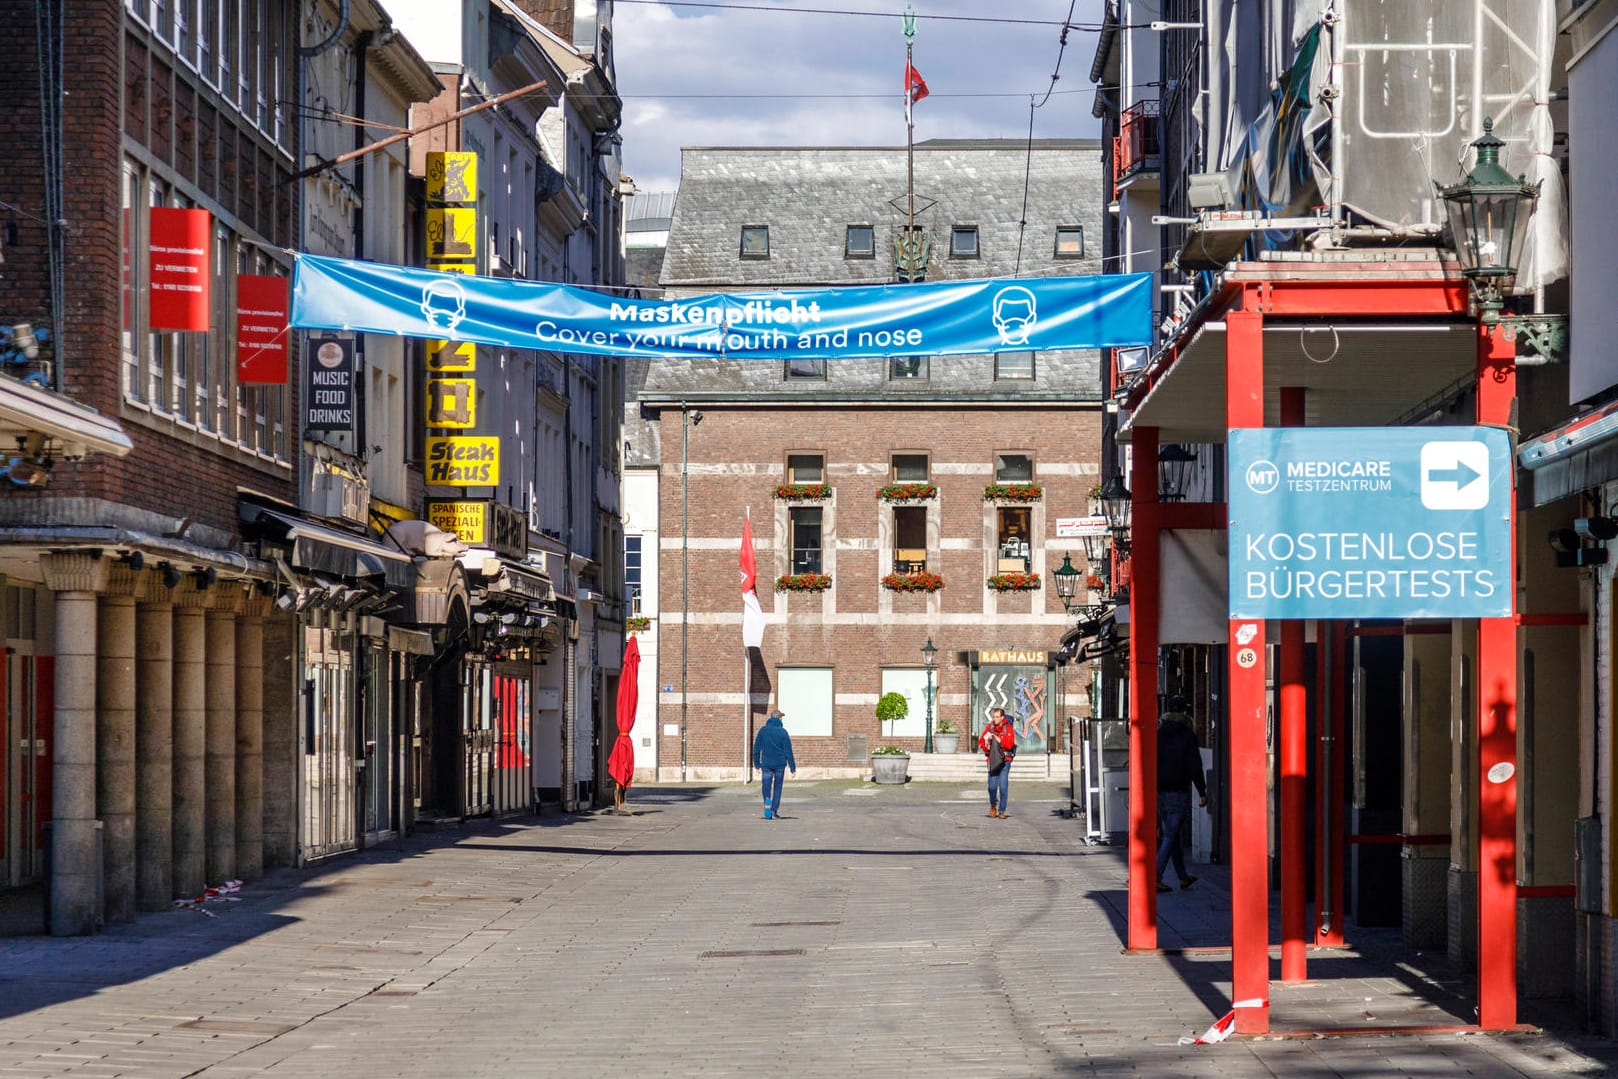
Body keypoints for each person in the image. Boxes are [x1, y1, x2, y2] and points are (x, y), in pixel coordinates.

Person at [1156, 695, 1208, 892]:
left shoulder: (1159, 733)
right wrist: (1202, 790)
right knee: (1170, 835)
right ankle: (1155, 875)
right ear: (1185, 713)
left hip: (1160, 791)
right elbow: (1195, 764)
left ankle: (1183, 876)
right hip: (1178, 790)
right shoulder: (1187, 735)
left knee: (1172, 834)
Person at [752, 710, 796, 820]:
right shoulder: (783, 732)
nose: (782, 720)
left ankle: (767, 799)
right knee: (778, 788)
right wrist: (792, 768)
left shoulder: (763, 731)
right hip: (780, 765)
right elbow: (788, 751)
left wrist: (757, 764)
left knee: (766, 786)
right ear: (779, 718)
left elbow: (756, 749)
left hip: (766, 764)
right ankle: (774, 810)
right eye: (781, 718)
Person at [979, 707, 1017, 818]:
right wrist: (987, 744)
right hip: (993, 760)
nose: (994, 719)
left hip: (1005, 761)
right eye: (993, 717)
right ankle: (993, 805)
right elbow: (981, 741)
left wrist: (997, 739)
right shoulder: (989, 727)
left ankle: (1002, 810)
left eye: (997, 717)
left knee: (1003, 786)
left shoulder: (1008, 728)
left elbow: (1009, 745)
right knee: (992, 786)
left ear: (1002, 717)